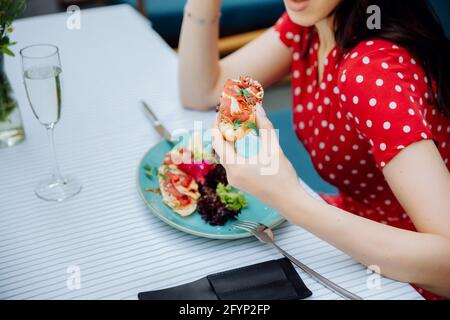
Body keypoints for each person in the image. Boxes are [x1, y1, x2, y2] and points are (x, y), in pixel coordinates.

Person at [178, 0, 450, 299]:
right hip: (351, 229)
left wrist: (289, 199)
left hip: (408, 272)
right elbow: (202, 90)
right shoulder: (312, 23)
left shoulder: (370, 71)